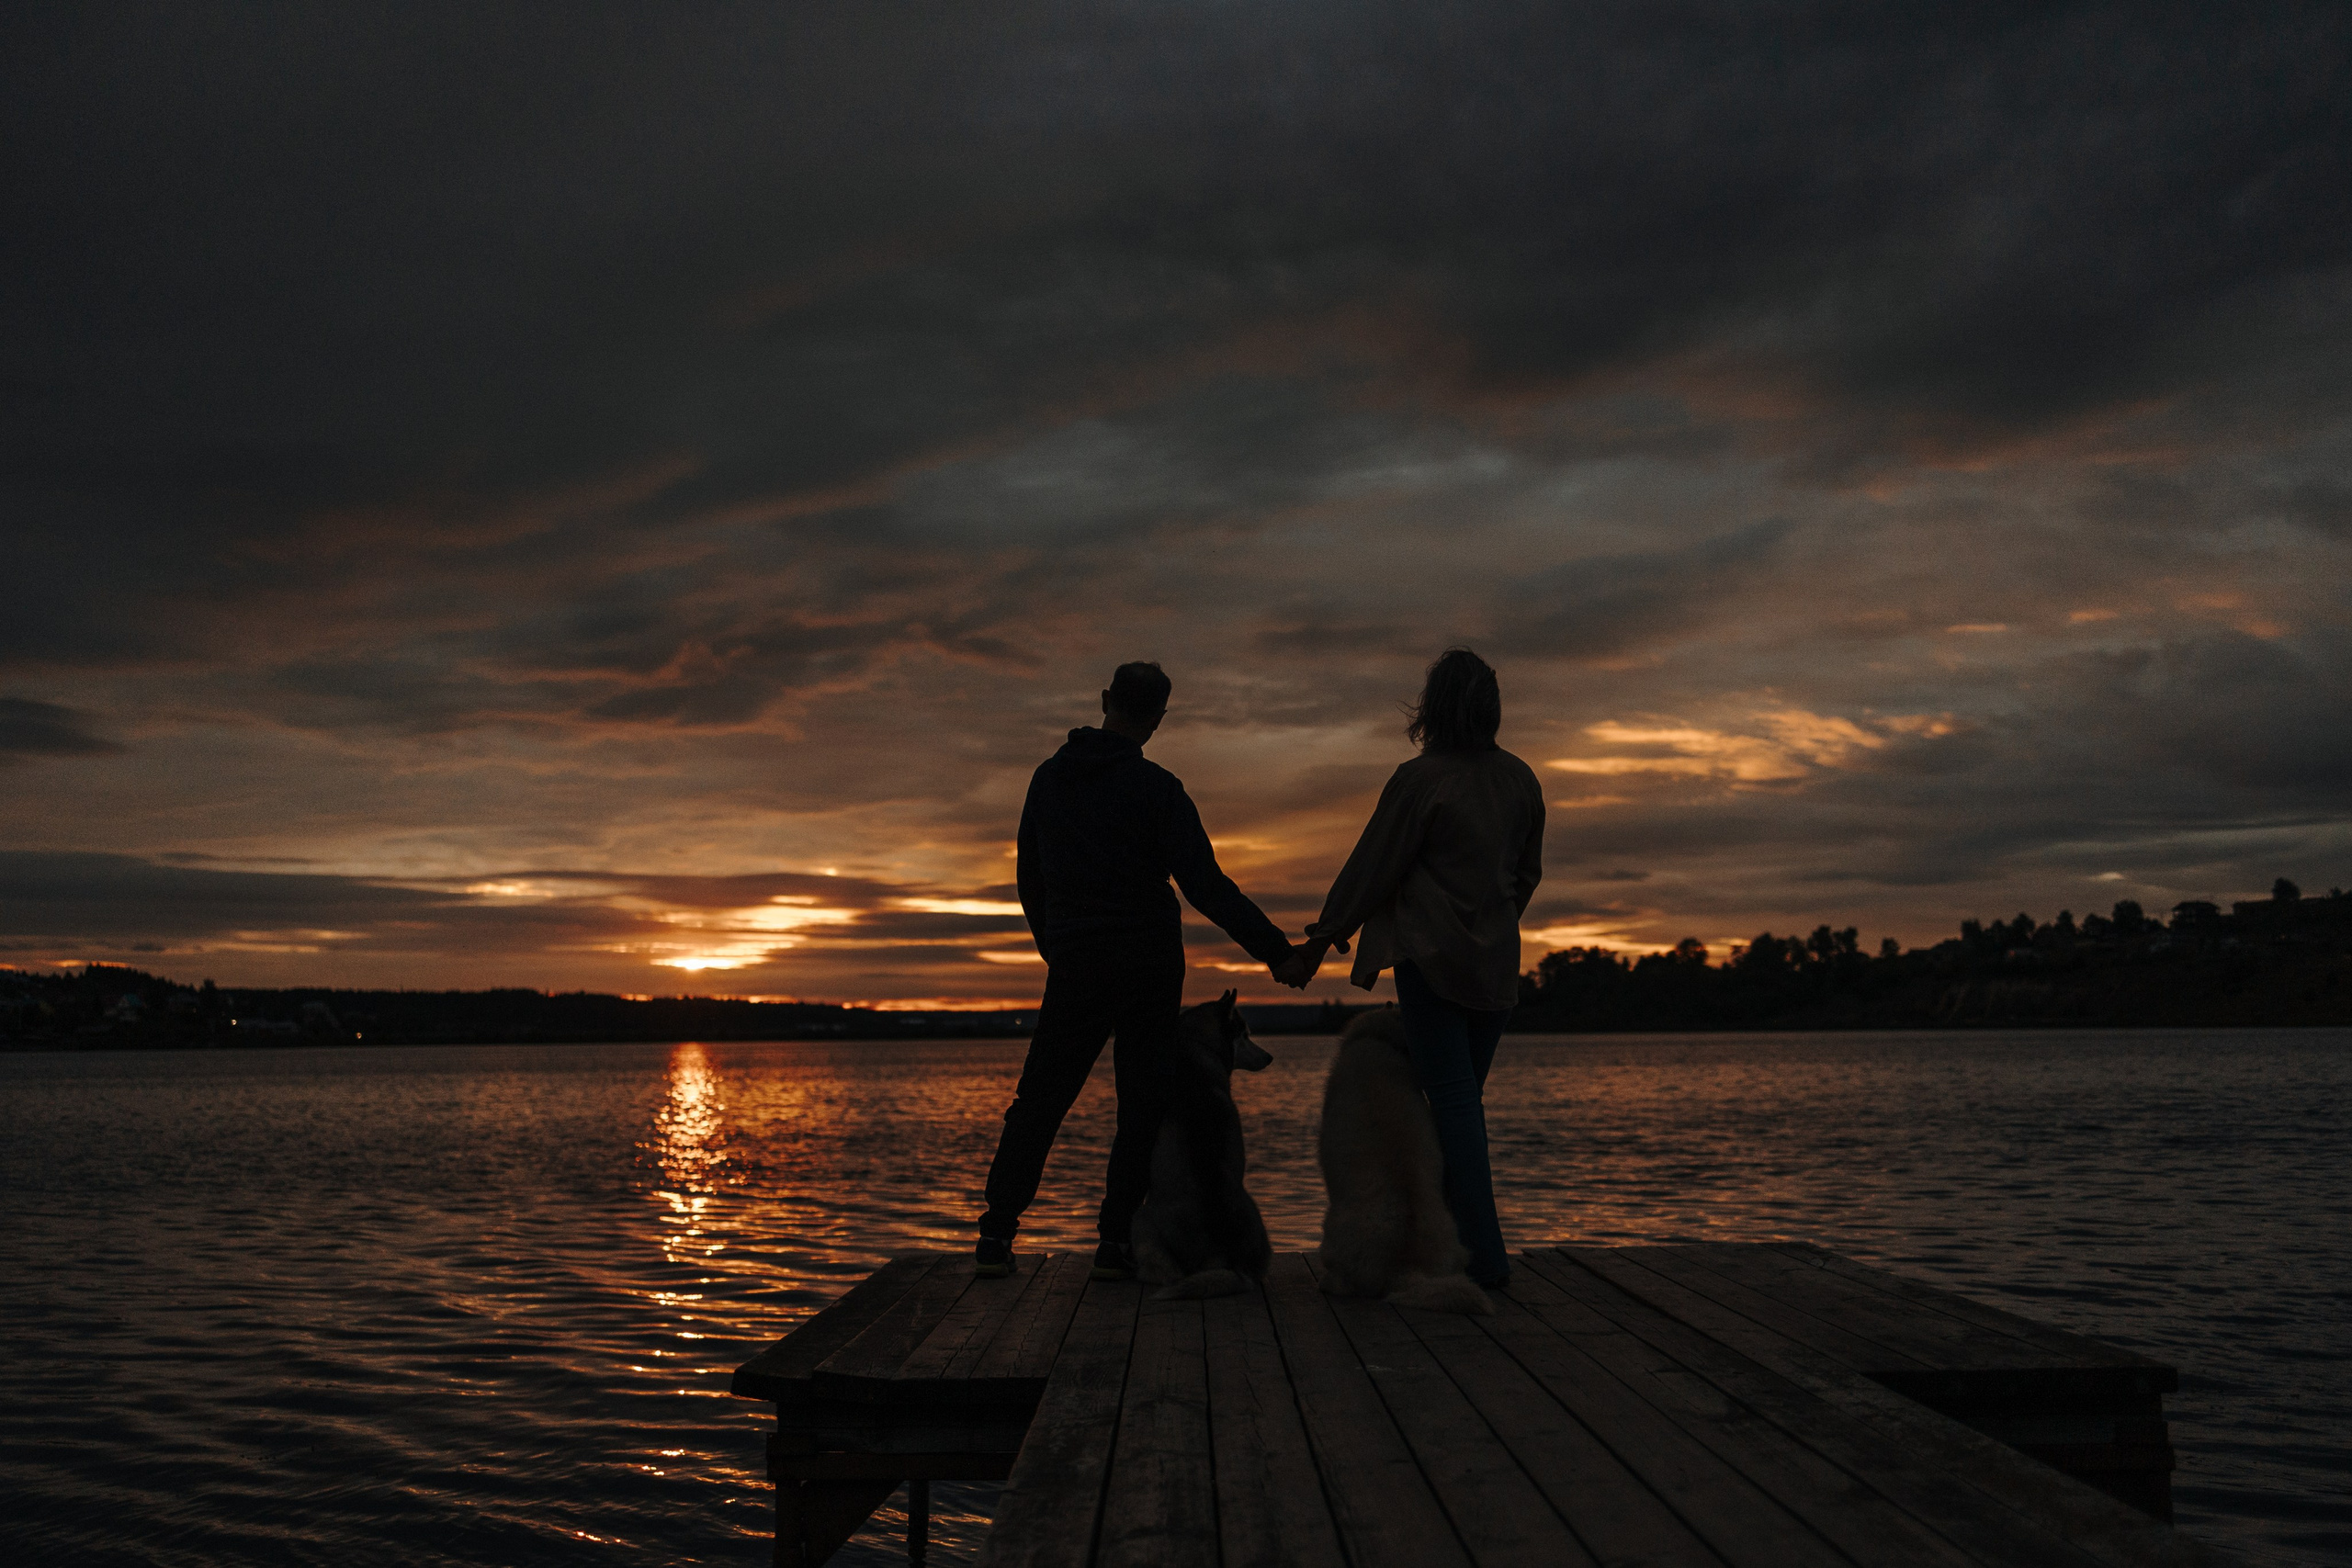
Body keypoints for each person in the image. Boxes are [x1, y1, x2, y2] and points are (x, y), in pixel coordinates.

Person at [978, 661, 1309, 1280]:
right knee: (1140, 1105)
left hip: (1078, 961)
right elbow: (1206, 885)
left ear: (1106, 699)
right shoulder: (1158, 788)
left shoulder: (1048, 780)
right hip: (1149, 964)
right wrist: (1278, 952)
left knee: (1041, 1098)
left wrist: (1057, 945)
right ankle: (1116, 1243)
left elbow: (1030, 878)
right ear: (1158, 718)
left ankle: (996, 1233)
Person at [1297, 649, 1543, 1288]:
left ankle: (1482, 1260)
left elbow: (1372, 865)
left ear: (1434, 707)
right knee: (1459, 1108)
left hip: (1430, 961)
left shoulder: (1419, 779)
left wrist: (1323, 937)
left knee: (1455, 1107)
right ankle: (1444, 1248)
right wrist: (1493, 924)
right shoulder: (1520, 779)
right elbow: (1527, 875)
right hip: (1494, 967)